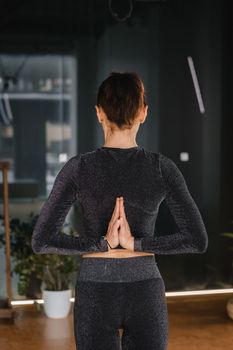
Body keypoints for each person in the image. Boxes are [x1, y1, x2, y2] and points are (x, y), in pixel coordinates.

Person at [31, 71, 208, 350]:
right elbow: (197, 240)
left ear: (99, 113)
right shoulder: (162, 168)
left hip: (94, 292)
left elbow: (41, 241)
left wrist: (102, 244)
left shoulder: (78, 168)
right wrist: (136, 244)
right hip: (145, 290)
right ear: (143, 113)